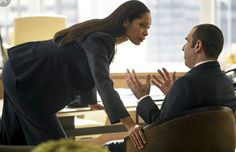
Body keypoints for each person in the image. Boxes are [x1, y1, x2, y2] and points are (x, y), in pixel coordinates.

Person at [0, 0, 151, 147]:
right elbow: (102, 81)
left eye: (148, 27)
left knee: (12, 138)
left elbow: (88, 69)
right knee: (57, 147)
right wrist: (130, 125)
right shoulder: (102, 38)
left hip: (19, 68)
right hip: (26, 76)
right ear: (126, 21)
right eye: (141, 25)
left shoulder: (102, 36)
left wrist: (90, 101)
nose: (146, 32)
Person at [107, 24, 236, 151]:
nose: (183, 47)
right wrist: (173, 94)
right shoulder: (227, 83)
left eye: (187, 41)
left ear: (198, 46)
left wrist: (143, 97)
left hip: (175, 147)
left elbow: (161, 128)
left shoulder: (186, 83)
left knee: (106, 147)